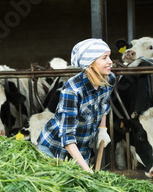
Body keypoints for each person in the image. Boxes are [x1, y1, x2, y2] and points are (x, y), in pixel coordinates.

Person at [38, 38, 115, 172]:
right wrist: (87, 170)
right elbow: (67, 137)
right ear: (90, 63)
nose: (110, 62)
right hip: (53, 150)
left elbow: (104, 104)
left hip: (81, 149)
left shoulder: (109, 79)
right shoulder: (72, 90)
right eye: (104, 58)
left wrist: (103, 130)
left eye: (109, 56)